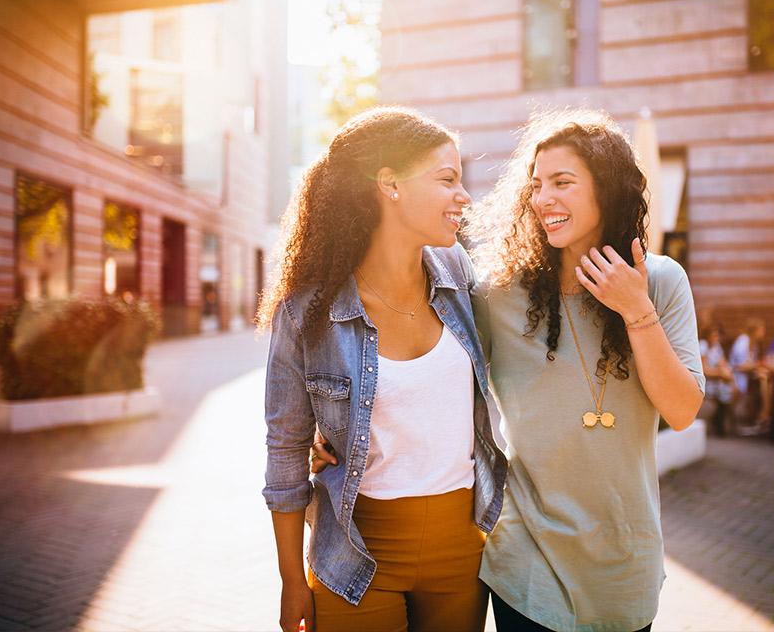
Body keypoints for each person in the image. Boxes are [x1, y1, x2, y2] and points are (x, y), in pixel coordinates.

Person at [258, 107, 507, 632]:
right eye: (448, 179)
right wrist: (290, 581)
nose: (464, 196)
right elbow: (284, 449)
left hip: (463, 549)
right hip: (353, 555)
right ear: (389, 184)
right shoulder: (307, 311)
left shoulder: (459, 273)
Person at [467, 109, 705, 632]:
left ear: (608, 187)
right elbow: (441, 373)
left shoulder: (661, 282)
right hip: (524, 555)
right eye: (536, 185)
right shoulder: (499, 294)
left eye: (562, 182)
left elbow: (683, 410)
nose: (543, 198)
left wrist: (635, 311)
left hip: (624, 561)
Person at [699, 325, 735, 437]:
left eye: (717, 336)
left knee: (729, 389)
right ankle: (721, 426)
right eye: (714, 335)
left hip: (716, 380)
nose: (716, 338)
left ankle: (721, 424)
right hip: (706, 381)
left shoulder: (716, 347)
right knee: (724, 392)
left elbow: (723, 362)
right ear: (707, 336)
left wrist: (727, 373)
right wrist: (720, 373)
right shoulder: (703, 346)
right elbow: (704, 370)